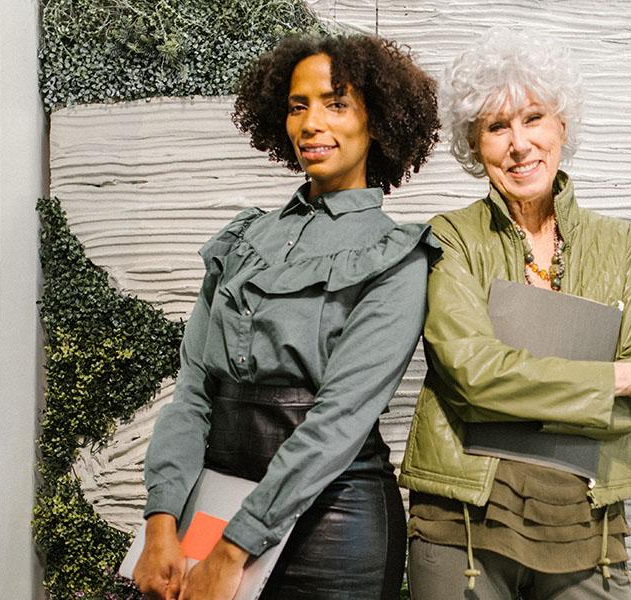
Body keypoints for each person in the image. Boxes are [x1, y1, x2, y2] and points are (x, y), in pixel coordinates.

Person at [133, 33, 440, 600]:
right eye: (299, 105)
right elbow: (194, 393)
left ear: (379, 121)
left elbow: (339, 421)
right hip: (214, 504)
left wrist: (234, 548)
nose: (311, 123)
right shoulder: (242, 238)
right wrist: (160, 521)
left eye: (336, 103)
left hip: (335, 531)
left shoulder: (398, 255)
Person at [399, 30, 631, 600]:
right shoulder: (450, 238)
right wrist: (616, 376)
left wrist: (519, 392)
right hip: (461, 519)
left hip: (587, 519)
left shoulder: (622, 245)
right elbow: (473, 376)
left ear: (562, 127)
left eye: (533, 118)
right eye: (496, 126)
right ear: (474, 143)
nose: (519, 144)